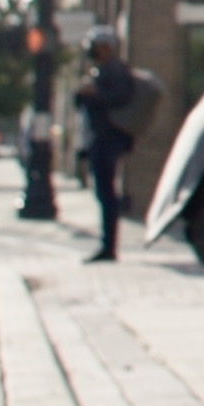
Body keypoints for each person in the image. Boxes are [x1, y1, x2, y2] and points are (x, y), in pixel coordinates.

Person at [71, 26, 145, 261]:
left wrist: (94, 94)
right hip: (99, 138)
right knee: (104, 193)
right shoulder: (101, 71)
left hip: (109, 139)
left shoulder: (116, 71)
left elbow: (120, 98)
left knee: (107, 194)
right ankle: (107, 243)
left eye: (96, 48)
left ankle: (109, 246)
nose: (93, 52)